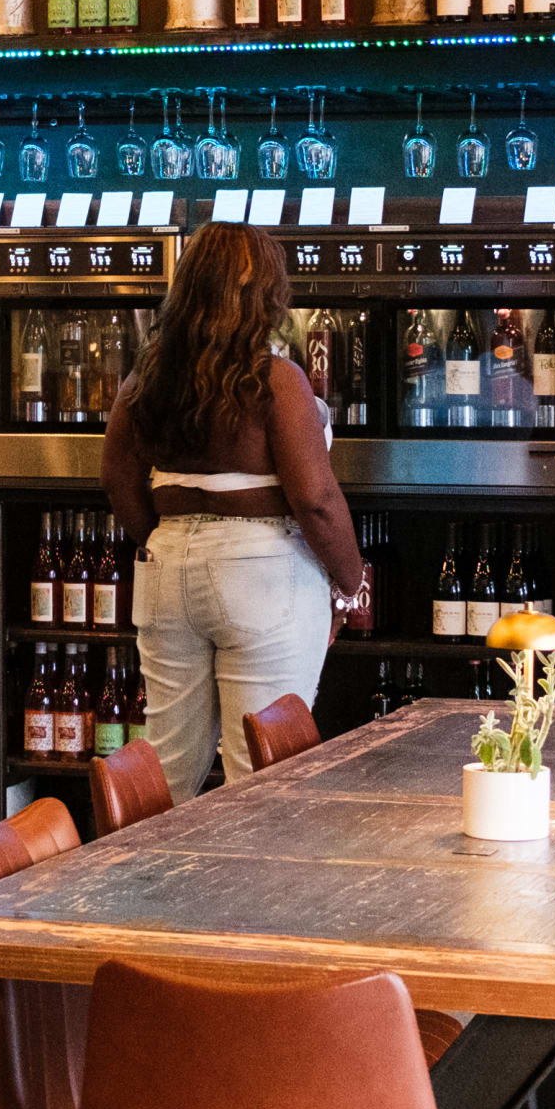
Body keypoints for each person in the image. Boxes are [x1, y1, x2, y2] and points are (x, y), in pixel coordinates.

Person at [102, 224, 370, 799]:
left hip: (166, 567)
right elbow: (316, 500)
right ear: (265, 293)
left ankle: (147, 887)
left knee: (166, 775)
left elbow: (117, 479)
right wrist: (350, 585)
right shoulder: (276, 379)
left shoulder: (144, 379)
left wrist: (164, 540)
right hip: (262, 569)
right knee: (264, 779)